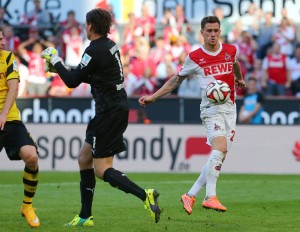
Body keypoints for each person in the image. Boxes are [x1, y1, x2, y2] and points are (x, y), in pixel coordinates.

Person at [40, 8, 161, 226]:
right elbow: (86, 75)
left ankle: (145, 195)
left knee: (101, 169)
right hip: (111, 109)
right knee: (84, 159)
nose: (85, 27)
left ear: (91, 26)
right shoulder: (108, 46)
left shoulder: (94, 50)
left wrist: (56, 61)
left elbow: (72, 82)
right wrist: (61, 68)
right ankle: (86, 216)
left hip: (109, 112)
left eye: (86, 24)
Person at [139, 16, 246, 214]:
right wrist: (154, 97)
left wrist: (239, 78)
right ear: (202, 33)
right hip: (210, 110)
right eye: (209, 31)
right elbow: (175, 80)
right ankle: (210, 197)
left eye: (216, 30)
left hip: (230, 109)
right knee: (220, 148)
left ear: (219, 31)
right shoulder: (195, 57)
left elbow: (235, 63)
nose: (213, 34)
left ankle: (190, 195)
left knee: (219, 156)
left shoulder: (230, 50)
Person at [0, 28, 40, 227]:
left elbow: (14, 87)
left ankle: (27, 205)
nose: (2, 42)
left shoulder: (8, 58)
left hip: (10, 119)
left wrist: (3, 114)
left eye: (2, 38)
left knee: (31, 157)